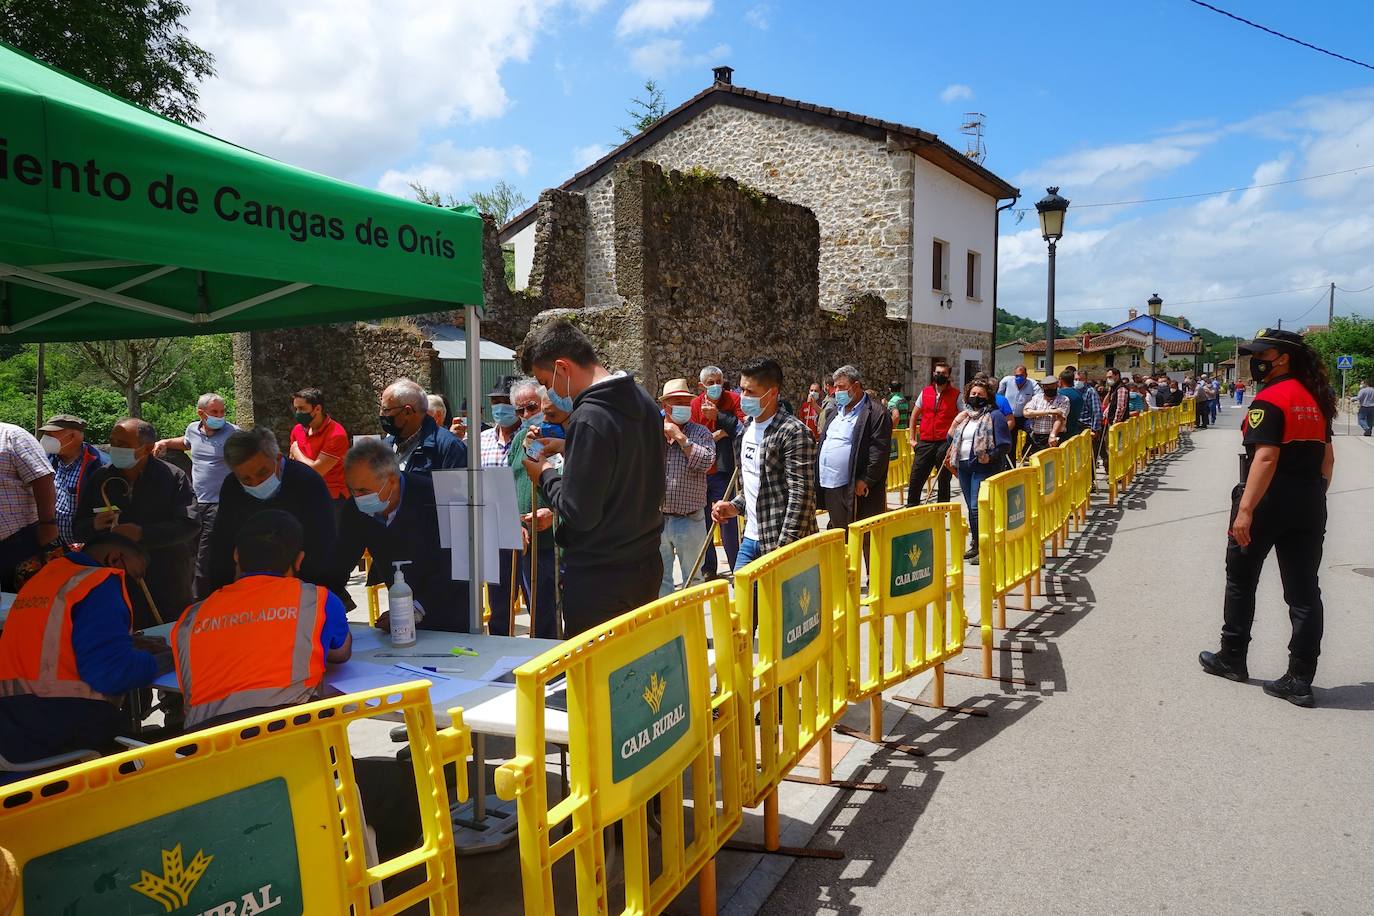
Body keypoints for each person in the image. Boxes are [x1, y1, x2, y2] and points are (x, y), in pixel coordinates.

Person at [1200, 329, 1335, 707]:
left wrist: (1246, 510)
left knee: (1241, 580)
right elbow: (1328, 459)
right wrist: (1312, 500)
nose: (1257, 360)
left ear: (1283, 358)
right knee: (1305, 592)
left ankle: (1232, 657)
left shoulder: (1271, 399)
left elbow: (1266, 458)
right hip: (1310, 498)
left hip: (1267, 499)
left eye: (1263, 354)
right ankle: (1300, 678)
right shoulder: (1317, 400)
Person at [520, 320, 664, 635]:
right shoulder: (643, 401)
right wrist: (572, 447)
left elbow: (578, 513)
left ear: (562, 367)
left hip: (600, 579)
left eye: (547, 382)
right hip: (644, 565)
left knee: (595, 678)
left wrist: (543, 473)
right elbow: (625, 464)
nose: (550, 393)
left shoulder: (589, 418)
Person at [0, 533, 170, 769]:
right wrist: (166, 659)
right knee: (171, 750)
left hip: (13, 725)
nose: (133, 586)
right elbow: (112, 674)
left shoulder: (48, 577)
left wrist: (124, 644)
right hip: (63, 726)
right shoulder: (99, 583)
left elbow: (56, 646)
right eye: (133, 577)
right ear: (114, 559)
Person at [173, 511, 350, 730]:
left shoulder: (191, 619)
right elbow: (340, 653)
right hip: (296, 749)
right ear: (299, 560)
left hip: (210, 756)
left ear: (236, 555)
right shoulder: (316, 600)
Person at [336, 440, 472, 632]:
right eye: (352, 490)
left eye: (364, 491)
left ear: (391, 480)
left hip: (450, 614)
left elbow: (458, 564)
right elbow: (340, 560)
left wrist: (416, 608)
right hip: (400, 619)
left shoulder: (434, 498)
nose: (358, 497)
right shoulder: (355, 510)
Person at [74, 419, 197, 628]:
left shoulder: (173, 477)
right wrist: (94, 525)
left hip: (165, 576)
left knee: (167, 640)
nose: (115, 449)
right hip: (113, 581)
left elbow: (189, 524)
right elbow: (78, 528)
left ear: (148, 448)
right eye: (112, 442)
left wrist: (142, 533)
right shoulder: (100, 478)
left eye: (122, 444)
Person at [711, 357, 817, 568]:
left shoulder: (794, 432)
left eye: (751, 392)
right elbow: (757, 485)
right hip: (750, 539)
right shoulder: (747, 428)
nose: (743, 397)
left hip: (781, 542)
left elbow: (801, 495)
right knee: (744, 600)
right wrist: (734, 507)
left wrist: (785, 546)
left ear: (773, 393)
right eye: (742, 390)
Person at [208, 427, 337, 597]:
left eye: (262, 473)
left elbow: (323, 543)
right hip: (250, 588)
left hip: (305, 586)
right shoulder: (232, 486)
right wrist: (223, 593)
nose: (255, 483)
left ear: (277, 458)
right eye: (245, 479)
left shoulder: (307, 482)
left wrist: (313, 595)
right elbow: (223, 543)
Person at [153, 393, 238, 600]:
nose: (220, 416)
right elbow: (187, 442)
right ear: (201, 414)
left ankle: (199, 600)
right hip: (197, 501)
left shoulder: (234, 434)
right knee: (190, 548)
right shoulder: (193, 429)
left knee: (205, 555)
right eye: (215, 412)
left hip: (221, 502)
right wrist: (165, 442)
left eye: (222, 411)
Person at [491, 380, 558, 639]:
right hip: (527, 543)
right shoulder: (520, 438)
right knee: (536, 615)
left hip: (556, 543)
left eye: (532, 407)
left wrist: (554, 514)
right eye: (520, 411)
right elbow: (512, 483)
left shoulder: (561, 434)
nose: (528, 415)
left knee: (552, 616)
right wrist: (514, 524)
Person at [657, 378, 715, 595]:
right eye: (677, 402)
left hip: (690, 519)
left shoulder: (700, 433)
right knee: (661, 580)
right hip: (659, 520)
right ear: (666, 406)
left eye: (686, 402)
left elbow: (706, 462)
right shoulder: (652, 432)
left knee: (694, 578)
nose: (683, 406)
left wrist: (681, 438)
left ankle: (694, 625)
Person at [944, 380, 1013, 565]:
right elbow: (950, 437)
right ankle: (976, 543)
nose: (976, 397)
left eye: (980, 394)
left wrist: (990, 457)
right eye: (973, 394)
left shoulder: (995, 416)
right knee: (971, 507)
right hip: (964, 466)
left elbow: (1005, 444)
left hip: (983, 467)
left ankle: (985, 547)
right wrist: (956, 421)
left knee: (977, 507)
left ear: (988, 397)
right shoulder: (966, 416)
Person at [816, 365, 891, 529]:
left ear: (856, 386)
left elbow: (879, 450)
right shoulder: (835, 412)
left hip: (856, 487)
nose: (836, 391)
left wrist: (866, 479)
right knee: (839, 533)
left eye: (841, 387)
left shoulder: (876, 413)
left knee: (864, 536)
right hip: (831, 486)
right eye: (835, 387)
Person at [692, 366, 745, 579]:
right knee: (705, 522)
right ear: (701, 386)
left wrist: (719, 417)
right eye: (711, 382)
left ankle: (737, 567)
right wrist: (716, 435)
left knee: (727, 521)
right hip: (702, 471)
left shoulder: (733, 399)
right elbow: (693, 433)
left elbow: (742, 425)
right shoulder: (695, 404)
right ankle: (708, 569)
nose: (716, 386)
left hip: (724, 469)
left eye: (719, 381)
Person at [0, 422, 59, 590]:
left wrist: (48, 525)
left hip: (18, 541)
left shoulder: (12, 436)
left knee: (25, 602)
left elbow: (42, 478)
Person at [40, 414, 108, 547]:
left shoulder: (100, 465)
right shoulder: (46, 458)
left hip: (87, 549)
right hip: (52, 547)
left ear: (72, 437)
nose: (45, 439)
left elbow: (105, 513)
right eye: (45, 434)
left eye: (51, 434)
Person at [379, 378, 467, 476]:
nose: (381, 414)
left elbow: (455, 489)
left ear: (407, 412)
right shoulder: (384, 447)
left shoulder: (448, 448)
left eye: (386, 410)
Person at [288, 387, 351, 524]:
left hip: (331, 499)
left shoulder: (336, 434)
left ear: (317, 409)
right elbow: (292, 465)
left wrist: (296, 450)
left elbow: (316, 471)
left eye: (302, 409)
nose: (298, 413)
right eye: (296, 409)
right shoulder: (297, 430)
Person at [907, 361, 959, 505]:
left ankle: (942, 511)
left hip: (945, 442)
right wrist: (912, 438)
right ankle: (911, 509)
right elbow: (914, 415)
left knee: (944, 479)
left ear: (948, 376)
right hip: (925, 441)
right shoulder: (925, 392)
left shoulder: (956, 395)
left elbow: (964, 417)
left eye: (943, 373)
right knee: (916, 478)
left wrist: (955, 443)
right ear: (933, 373)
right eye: (938, 373)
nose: (940, 375)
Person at [1023, 375, 1069, 456]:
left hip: (1054, 437)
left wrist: (1053, 435)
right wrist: (1049, 412)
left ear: (1056, 385)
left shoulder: (1063, 399)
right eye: (1047, 387)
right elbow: (1026, 412)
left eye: (1052, 386)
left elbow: (1060, 418)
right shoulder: (1036, 398)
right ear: (1043, 387)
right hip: (1037, 437)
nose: (1049, 389)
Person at [998, 365, 1037, 433]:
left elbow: (1039, 397)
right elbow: (999, 396)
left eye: (1021, 375)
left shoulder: (1032, 384)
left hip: (1024, 418)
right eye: (1017, 376)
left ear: (1026, 375)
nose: (1019, 378)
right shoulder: (1006, 381)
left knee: (1026, 438)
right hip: (1009, 417)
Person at [1057, 368, 1085, 440]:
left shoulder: (1059, 394)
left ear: (1060, 379)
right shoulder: (1079, 394)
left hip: (1062, 433)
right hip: (1075, 431)